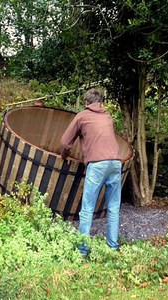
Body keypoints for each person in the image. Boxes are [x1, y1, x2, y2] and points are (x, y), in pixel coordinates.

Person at [60, 88, 122, 256]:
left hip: (98, 164)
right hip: (116, 162)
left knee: (87, 208)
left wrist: (63, 156)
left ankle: (83, 250)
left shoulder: (82, 116)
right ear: (100, 102)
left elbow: (65, 143)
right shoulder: (108, 116)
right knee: (114, 207)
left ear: (86, 103)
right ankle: (113, 247)